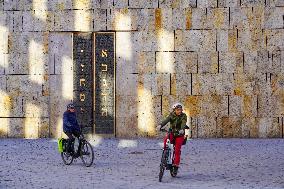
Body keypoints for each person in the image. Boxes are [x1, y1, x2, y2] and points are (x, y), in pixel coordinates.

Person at [156, 103, 189, 174]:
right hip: (172, 133)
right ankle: (165, 153)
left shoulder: (184, 116)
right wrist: (160, 125)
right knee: (166, 139)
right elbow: (166, 120)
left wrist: (182, 129)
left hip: (180, 134)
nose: (179, 111)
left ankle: (175, 166)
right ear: (174, 110)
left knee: (177, 150)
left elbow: (183, 123)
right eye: (177, 110)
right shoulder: (171, 115)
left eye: (180, 110)